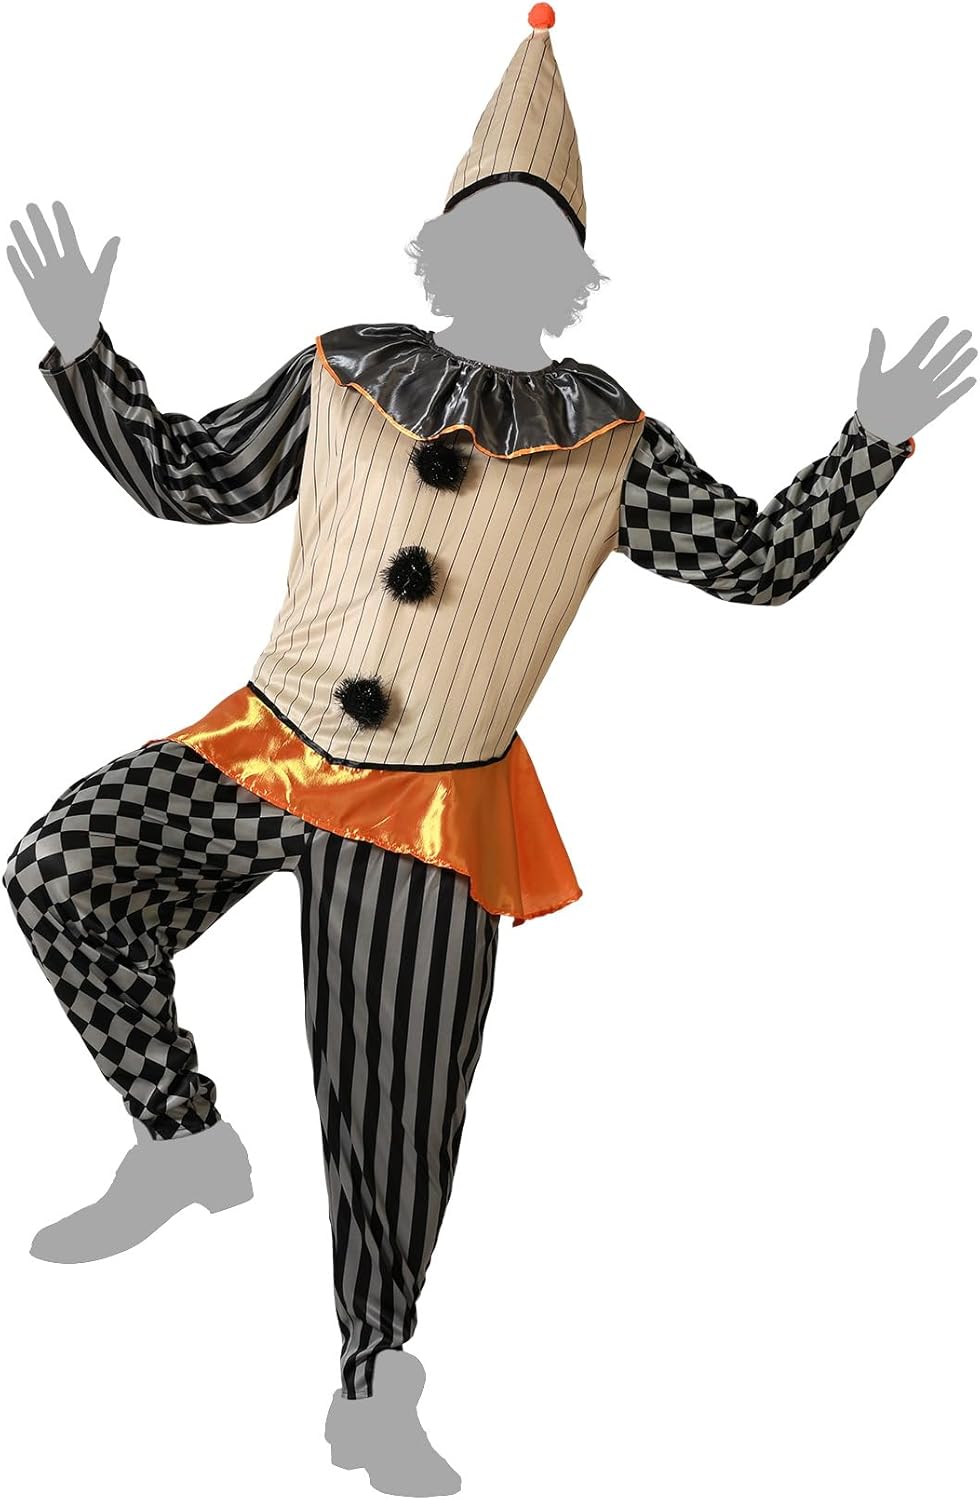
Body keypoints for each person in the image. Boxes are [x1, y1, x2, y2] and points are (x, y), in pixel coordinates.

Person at [4, 7, 975, 1495]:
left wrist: (870, 444)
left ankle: (372, 1383)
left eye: (537, 240)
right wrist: (85, 351)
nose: (506, 258)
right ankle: (182, 1138)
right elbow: (193, 478)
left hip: (436, 812)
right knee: (61, 871)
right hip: (265, 744)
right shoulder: (341, 375)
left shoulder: (610, 444)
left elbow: (756, 564)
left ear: (572, 274)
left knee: (392, 1102)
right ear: (440, 246)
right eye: (485, 230)